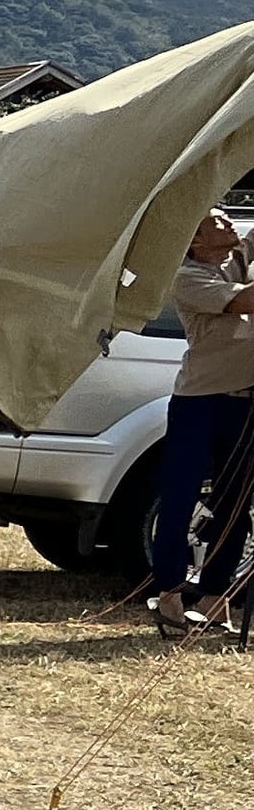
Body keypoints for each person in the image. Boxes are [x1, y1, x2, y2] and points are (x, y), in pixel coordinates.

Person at [150, 203, 254, 633]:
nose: (229, 221)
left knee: (236, 504)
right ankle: (170, 596)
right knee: (180, 498)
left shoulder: (241, 256)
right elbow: (244, 301)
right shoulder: (188, 276)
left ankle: (215, 599)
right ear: (194, 240)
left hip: (243, 403)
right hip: (200, 402)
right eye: (216, 220)